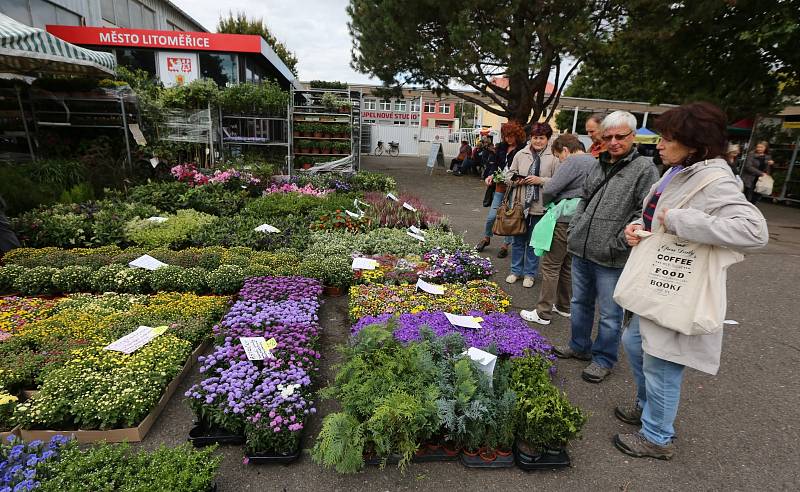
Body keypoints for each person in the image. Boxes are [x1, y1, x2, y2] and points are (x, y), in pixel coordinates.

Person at [615, 102, 768, 460]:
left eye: (669, 139)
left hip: (677, 285)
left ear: (695, 144)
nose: (660, 145)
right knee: (636, 345)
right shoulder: (680, 169)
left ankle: (657, 436)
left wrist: (683, 222)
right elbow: (659, 214)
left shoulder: (714, 178)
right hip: (661, 278)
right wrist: (639, 227)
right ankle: (646, 405)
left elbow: (753, 231)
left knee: (663, 361)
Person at [553, 111, 660, 383]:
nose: (613, 142)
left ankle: (603, 358)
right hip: (582, 248)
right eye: (608, 136)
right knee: (579, 302)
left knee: (611, 314)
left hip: (612, 256)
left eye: (620, 136)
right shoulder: (597, 163)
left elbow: (644, 211)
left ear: (632, 136)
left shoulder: (644, 169)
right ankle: (579, 346)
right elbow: (584, 200)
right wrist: (576, 229)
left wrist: (619, 242)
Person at [520, 134, 594, 324]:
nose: (560, 160)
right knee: (567, 265)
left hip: (563, 219)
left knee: (551, 265)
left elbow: (551, 188)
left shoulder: (572, 162)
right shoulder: (594, 161)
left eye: (558, 156)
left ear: (565, 150)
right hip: (581, 220)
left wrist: (549, 204)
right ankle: (563, 306)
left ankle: (543, 312)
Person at [504, 122, 559, 288]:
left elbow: (558, 182)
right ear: (530, 138)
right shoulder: (521, 154)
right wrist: (516, 179)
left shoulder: (554, 157)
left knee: (534, 242)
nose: (538, 141)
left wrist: (540, 180)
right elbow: (508, 175)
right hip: (520, 205)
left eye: (541, 138)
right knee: (518, 240)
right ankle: (515, 271)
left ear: (547, 139)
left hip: (541, 206)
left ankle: (530, 274)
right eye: (535, 137)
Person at [475, 122, 526, 258]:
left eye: (511, 136)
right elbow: (495, 165)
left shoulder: (524, 149)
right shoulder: (501, 147)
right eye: (506, 136)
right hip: (500, 186)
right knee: (492, 215)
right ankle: (487, 238)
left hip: (514, 188)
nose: (508, 139)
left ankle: (505, 245)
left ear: (517, 135)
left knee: (509, 217)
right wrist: (490, 175)